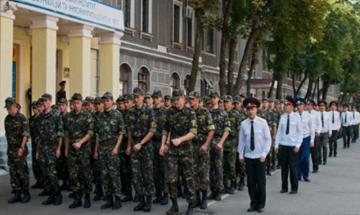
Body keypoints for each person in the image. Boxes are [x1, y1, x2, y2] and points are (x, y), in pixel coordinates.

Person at [160, 89, 197, 215]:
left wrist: (180, 140)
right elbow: (165, 129)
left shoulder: (190, 112)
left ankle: (191, 204)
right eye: (174, 100)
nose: (175, 102)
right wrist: (163, 144)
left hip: (186, 150)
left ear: (183, 98)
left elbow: (193, 132)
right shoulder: (170, 112)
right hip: (172, 151)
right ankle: (174, 205)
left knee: (188, 178)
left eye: (178, 99)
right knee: (171, 179)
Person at [238, 97, 271, 213]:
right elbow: (241, 141)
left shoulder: (263, 123)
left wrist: (264, 154)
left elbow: (268, 139)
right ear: (246, 110)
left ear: (256, 109)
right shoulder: (243, 124)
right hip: (249, 157)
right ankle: (253, 203)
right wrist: (240, 155)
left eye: (252, 109)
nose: (250, 111)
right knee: (251, 183)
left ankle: (261, 204)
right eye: (248, 109)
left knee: (261, 182)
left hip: (260, 157)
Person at [126, 87, 156, 212]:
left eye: (138, 97)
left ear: (143, 98)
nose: (136, 99)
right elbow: (129, 131)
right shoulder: (131, 111)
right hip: (134, 146)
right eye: (134, 96)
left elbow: (152, 131)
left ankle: (148, 200)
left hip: (146, 147)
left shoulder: (149, 111)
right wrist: (129, 145)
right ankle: (141, 199)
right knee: (136, 175)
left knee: (147, 175)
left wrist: (141, 143)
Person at [94, 92, 125, 210]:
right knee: (104, 175)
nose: (105, 103)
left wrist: (117, 147)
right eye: (104, 101)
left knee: (114, 174)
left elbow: (121, 132)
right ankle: (109, 199)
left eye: (107, 100)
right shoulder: (100, 116)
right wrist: (96, 151)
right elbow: (97, 135)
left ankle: (117, 198)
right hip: (102, 148)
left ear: (112, 101)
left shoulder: (117, 115)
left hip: (112, 147)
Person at [63, 93, 94, 209]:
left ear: (81, 103)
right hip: (71, 149)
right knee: (73, 174)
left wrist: (80, 143)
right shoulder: (68, 117)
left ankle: (87, 197)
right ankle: (77, 198)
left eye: (77, 103)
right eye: (73, 103)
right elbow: (66, 134)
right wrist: (66, 149)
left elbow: (90, 132)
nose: (75, 105)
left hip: (83, 149)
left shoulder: (87, 116)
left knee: (85, 174)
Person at [188, 91, 215, 209]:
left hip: (203, 145)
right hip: (191, 146)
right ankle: (197, 198)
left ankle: (204, 198)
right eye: (189, 99)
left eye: (193, 99)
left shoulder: (205, 112)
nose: (190, 101)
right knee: (193, 173)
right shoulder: (188, 112)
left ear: (198, 100)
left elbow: (211, 130)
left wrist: (206, 144)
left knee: (203, 173)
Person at [37, 93, 64, 205]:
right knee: (45, 172)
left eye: (45, 101)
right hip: (43, 147)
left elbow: (60, 133)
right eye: (42, 101)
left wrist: (58, 149)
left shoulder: (56, 115)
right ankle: (51, 195)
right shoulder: (41, 116)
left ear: (49, 102)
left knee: (52, 173)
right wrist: (38, 151)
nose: (43, 103)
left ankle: (58, 195)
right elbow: (39, 135)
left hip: (52, 147)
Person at [4, 97, 31, 204]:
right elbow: (7, 135)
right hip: (11, 149)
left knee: (22, 171)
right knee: (13, 172)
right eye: (7, 109)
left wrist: (21, 148)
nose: (8, 110)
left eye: (10, 108)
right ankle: (17, 192)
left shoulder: (22, 118)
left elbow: (25, 134)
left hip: (20, 149)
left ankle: (26, 192)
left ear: (15, 107)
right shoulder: (7, 119)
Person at [275, 96, 303, 194]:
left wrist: (298, 145)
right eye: (285, 105)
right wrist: (276, 145)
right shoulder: (282, 117)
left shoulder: (297, 117)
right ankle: (284, 187)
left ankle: (294, 187)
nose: (286, 106)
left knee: (293, 167)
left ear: (292, 106)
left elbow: (300, 133)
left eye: (288, 105)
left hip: (292, 146)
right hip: (283, 145)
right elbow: (279, 132)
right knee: (284, 168)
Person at [296, 98, 314, 182]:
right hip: (296, 139)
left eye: (301, 105)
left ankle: (305, 175)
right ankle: (298, 174)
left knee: (306, 158)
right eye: (298, 105)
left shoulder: (308, 115)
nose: (299, 106)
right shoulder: (294, 115)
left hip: (306, 138)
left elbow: (312, 129)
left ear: (304, 106)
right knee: (298, 157)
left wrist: (312, 140)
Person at [318, 101, 332, 165]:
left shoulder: (328, 114)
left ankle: (324, 160)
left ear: (325, 106)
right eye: (320, 105)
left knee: (324, 146)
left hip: (325, 132)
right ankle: (319, 159)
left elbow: (329, 123)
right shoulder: (316, 114)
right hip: (318, 133)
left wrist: (330, 132)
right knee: (319, 147)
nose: (321, 107)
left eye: (323, 105)